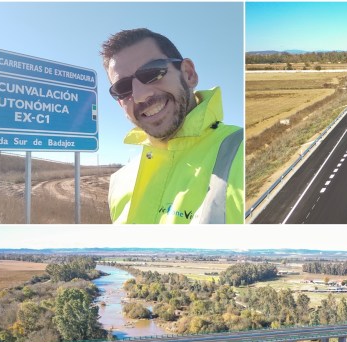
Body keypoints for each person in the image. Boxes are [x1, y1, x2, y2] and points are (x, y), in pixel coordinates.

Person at [101, 28, 243, 224]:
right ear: (119, 102)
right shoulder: (120, 182)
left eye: (152, 72)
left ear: (188, 74)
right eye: (123, 88)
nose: (140, 95)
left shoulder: (241, 152)